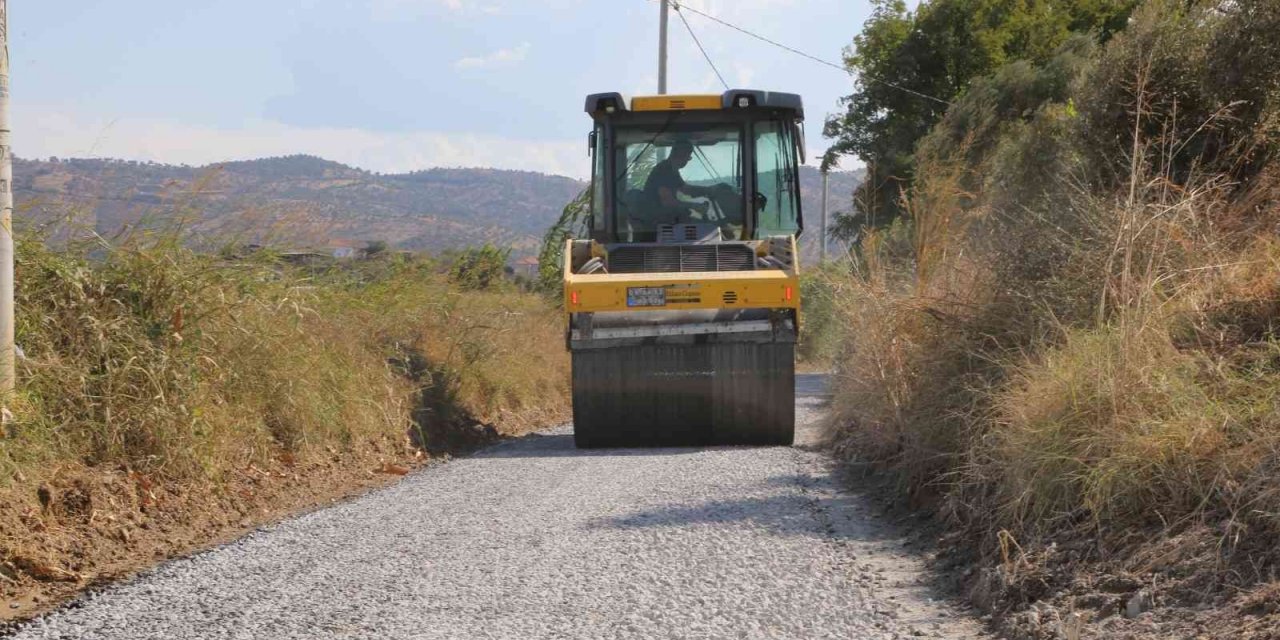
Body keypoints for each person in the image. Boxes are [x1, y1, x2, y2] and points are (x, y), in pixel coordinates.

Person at [643, 141, 715, 221]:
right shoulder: (664, 170)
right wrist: (694, 206)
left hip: (667, 217)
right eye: (688, 157)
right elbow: (667, 202)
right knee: (704, 228)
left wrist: (707, 190)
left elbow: (685, 189)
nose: (687, 161)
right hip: (658, 220)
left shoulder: (672, 170)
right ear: (681, 154)